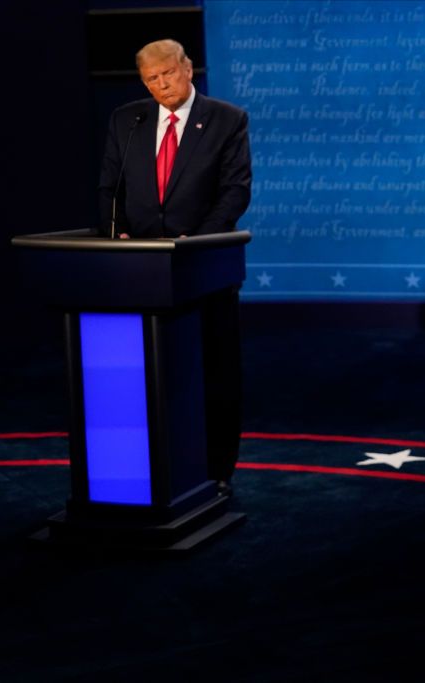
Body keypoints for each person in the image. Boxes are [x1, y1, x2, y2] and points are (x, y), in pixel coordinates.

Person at [98, 39, 252, 493]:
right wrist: (116, 235)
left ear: (187, 68)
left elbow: (235, 192)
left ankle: (218, 471)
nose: (162, 85)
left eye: (168, 73)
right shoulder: (128, 120)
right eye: (151, 79)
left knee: (215, 373)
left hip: (204, 268)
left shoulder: (227, 119)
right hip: (139, 272)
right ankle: (151, 468)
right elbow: (111, 186)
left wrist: (195, 242)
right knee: (146, 376)